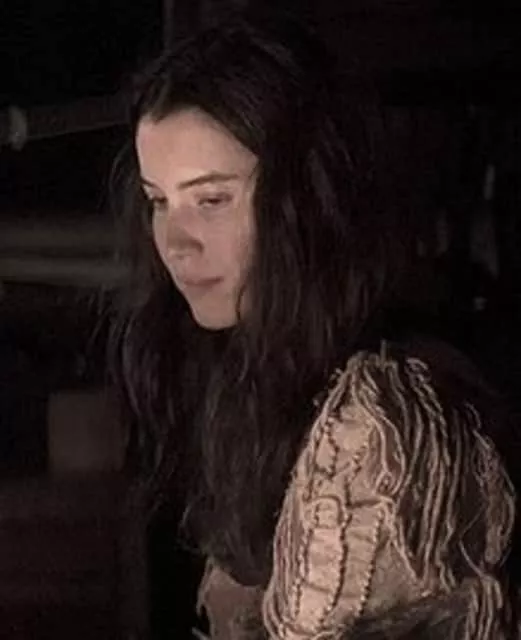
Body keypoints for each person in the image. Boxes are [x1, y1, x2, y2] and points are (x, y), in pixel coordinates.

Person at [108, 9, 519, 639]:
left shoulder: (379, 425)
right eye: (158, 201)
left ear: (303, 201)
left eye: (211, 199)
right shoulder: (248, 377)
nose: (175, 242)